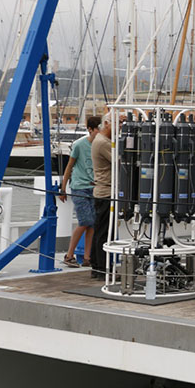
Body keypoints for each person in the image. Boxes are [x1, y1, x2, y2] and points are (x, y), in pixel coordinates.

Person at [59, 115, 99, 267]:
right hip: (79, 187)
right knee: (85, 221)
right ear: (90, 130)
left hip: (94, 187)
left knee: (93, 224)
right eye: (97, 129)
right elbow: (69, 166)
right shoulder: (79, 145)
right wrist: (63, 188)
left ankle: (87, 257)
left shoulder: (100, 144)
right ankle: (69, 255)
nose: (99, 132)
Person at [90, 116, 113, 279]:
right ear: (106, 123)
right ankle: (101, 269)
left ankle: (97, 267)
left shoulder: (99, 140)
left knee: (100, 231)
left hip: (102, 191)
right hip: (106, 192)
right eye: (118, 123)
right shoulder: (103, 143)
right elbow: (119, 161)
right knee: (104, 233)